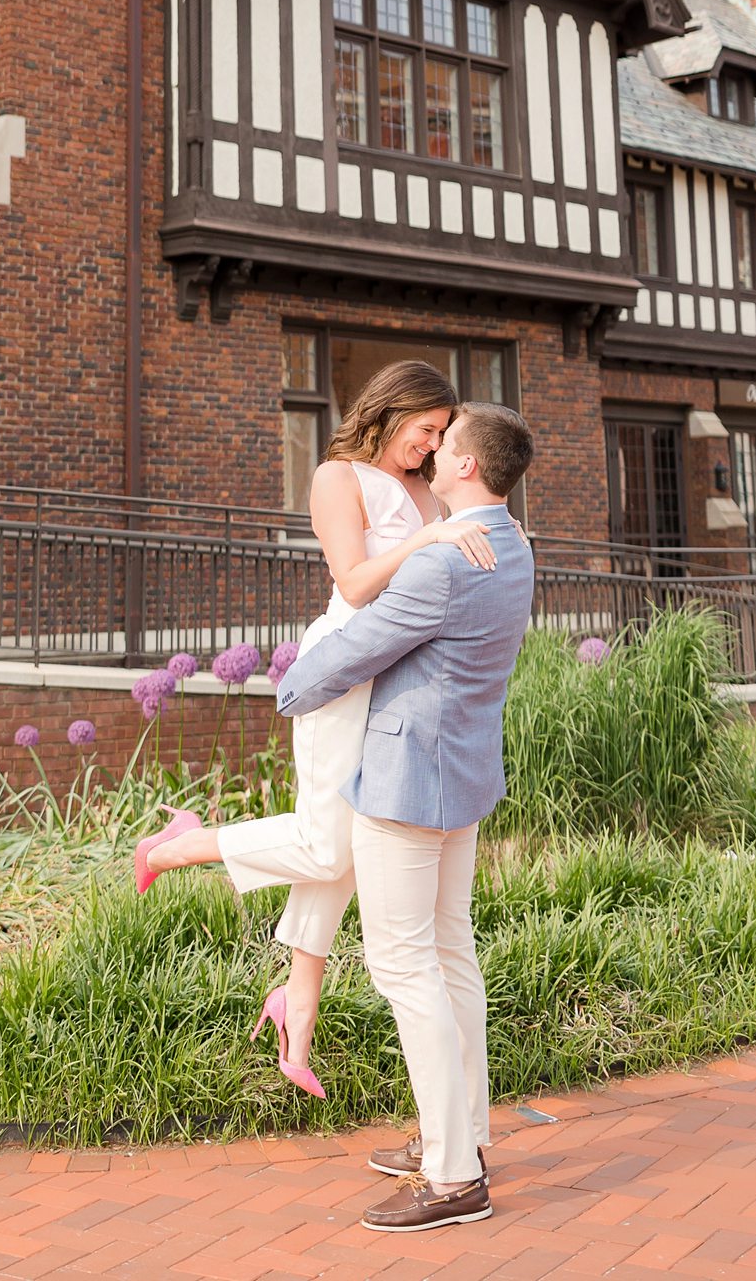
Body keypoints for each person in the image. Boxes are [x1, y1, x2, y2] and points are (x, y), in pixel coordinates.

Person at [135, 358, 498, 1094]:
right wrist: (429, 542)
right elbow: (356, 583)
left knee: (349, 848)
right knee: (329, 842)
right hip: (344, 669)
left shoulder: (427, 489)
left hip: (397, 681)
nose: (430, 447)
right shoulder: (338, 477)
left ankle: (296, 1002)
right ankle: (181, 847)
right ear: (393, 412)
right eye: (425, 430)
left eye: (438, 437)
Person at [276, 402, 535, 1235]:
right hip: (461, 777)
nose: (432, 452)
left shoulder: (444, 565)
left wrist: (290, 686)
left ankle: (452, 1176)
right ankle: (463, 1138)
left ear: (465, 467)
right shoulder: (515, 544)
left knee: (404, 968)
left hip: (403, 784)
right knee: (451, 955)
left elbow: (355, 650)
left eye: (444, 444)